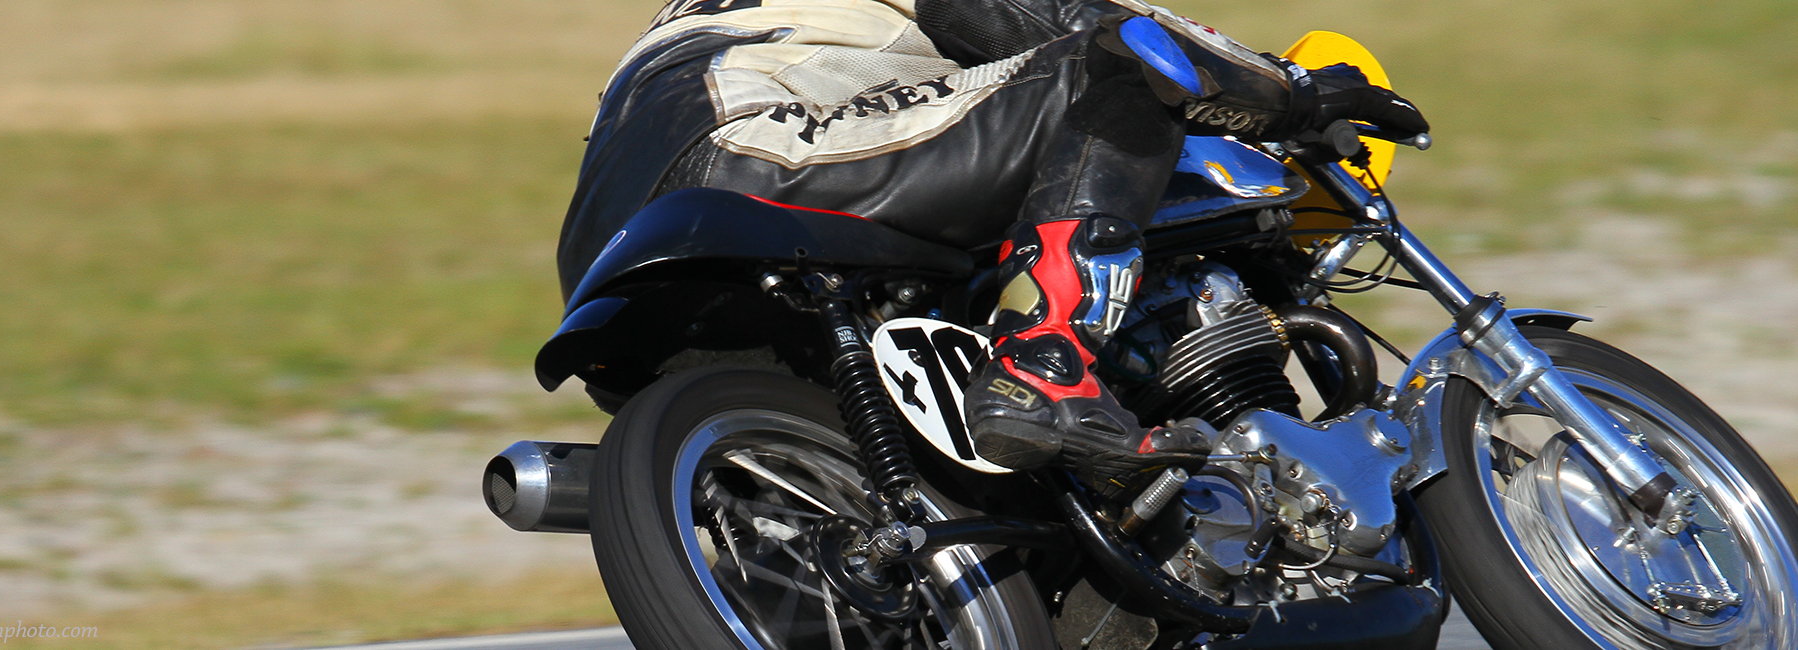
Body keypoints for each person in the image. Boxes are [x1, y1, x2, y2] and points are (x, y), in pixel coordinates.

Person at [554, 0, 1427, 484]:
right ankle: (1050, 357)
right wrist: (1297, 92)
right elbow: (1096, 27)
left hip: (615, 250)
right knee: (1125, 65)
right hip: (755, 147)